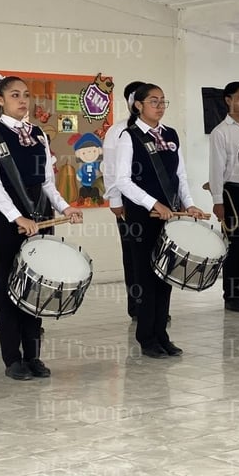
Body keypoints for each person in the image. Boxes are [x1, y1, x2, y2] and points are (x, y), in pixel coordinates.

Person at [0, 75, 83, 380]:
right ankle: (12, 359)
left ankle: (33, 356)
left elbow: (47, 182)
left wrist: (65, 207)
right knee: (9, 287)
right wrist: (16, 217)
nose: (23, 100)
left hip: (40, 216)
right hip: (8, 221)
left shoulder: (38, 134)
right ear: (0, 100)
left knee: (36, 288)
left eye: (25, 95)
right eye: (14, 95)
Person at [115, 83, 206, 358]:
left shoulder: (171, 135)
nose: (160, 106)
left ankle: (161, 334)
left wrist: (188, 204)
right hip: (142, 216)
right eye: (153, 101)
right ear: (138, 106)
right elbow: (122, 180)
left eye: (163, 101)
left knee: (165, 275)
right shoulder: (128, 137)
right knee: (146, 276)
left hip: (170, 216)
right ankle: (146, 337)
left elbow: (180, 176)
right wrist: (153, 203)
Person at [209, 81, 239, 313]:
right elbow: (217, 168)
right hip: (233, 191)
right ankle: (232, 295)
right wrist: (218, 200)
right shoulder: (220, 131)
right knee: (236, 244)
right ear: (228, 100)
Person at [102, 80, 146, 319]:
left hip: (156, 205)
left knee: (154, 255)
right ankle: (137, 306)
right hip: (129, 204)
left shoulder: (160, 131)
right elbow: (109, 169)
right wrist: (115, 202)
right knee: (133, 256)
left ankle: (154, 307)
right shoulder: (118, 131)